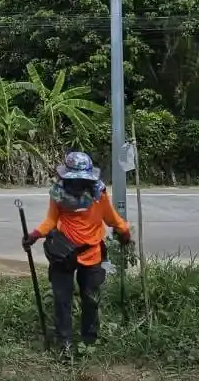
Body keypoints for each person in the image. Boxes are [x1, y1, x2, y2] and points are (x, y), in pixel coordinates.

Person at [22, 150, 134, 360]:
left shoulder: (98, 195)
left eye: (81, 180)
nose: (77, 185)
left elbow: (111, 218)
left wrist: (124, 231)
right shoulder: (58, 194)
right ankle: (64, 343)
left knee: (91, 298)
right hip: (63, 254)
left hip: (91, 253)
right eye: (73, 180)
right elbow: (51, 220)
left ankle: (89, 341)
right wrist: (34, 235)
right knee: (62, 299)